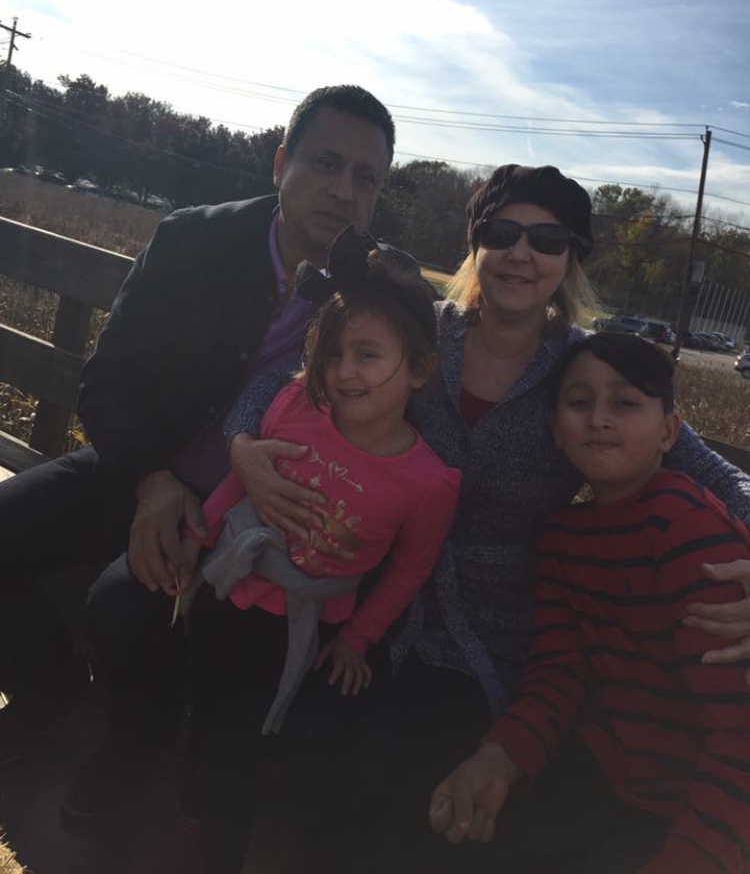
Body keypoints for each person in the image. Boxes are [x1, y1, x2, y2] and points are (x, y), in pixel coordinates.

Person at [230, 164, 750, 873]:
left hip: (500, 633)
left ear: (570, 260)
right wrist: (243, 448)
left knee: (406, 784)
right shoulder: (420, 330)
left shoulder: (584, 370)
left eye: (547, 240)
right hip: (370, 596)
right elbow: (282, 379)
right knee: (306, 742)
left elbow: (717, 476)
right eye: (502, 233)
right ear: (476, 244)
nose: (520, 254)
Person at [0, 84, 395, 768]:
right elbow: (108, 377)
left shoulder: (369, 298)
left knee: (124, 608)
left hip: (247, 522)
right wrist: (151, 480)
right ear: (281, 165)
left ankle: (136, 748)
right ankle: (48, 688)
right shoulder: (194, 242)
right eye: (327, 164)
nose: (344, 191)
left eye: (367, 178)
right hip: (138, 467)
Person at [136, 226, 460, 873]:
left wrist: (358, 639)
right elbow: (241, 480)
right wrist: (200, 536)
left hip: (299, 625)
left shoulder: (429, 482)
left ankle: (216, 845)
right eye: (333, 353)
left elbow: (410, 569)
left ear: (421, 369)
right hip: (229, 585)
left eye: (368, 354)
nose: (344, 371)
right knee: (203, 700)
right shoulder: (296, 403)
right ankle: (195, 815)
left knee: (245, 731)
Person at [429, 332, 750, 874]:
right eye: (579, 403)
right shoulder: (564, 538)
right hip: (611, 774)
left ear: (669, 431)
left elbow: (740, 732)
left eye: (625, 403)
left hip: (696, 805)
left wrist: (696, 857)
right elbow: (560, 673)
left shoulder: (687, 528)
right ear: (556, 431)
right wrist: (499, 759)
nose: (599, 419)